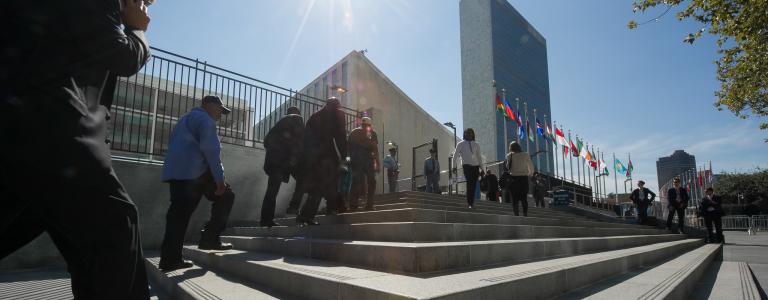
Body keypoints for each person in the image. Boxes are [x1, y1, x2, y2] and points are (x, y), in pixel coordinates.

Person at [0, 0, 152, 298]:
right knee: (116, 227)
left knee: (68, 233)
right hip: (46, 126)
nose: (147, 5)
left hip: (20, 131)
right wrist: (137, 29)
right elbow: (122, 57)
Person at [160, 96, 236, 271]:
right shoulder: (205, 120)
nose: (220, 114)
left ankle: (169, 259)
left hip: (177, 174)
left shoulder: (184, 119)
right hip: (195, 173)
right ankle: (210, 238)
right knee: (226, 195)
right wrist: (220, 180)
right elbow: (211, 152)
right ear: (208, 105)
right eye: (220, 109)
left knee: (177, 217)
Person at [296, 98, 348, 225]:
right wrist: (344, 156)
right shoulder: (337, 115)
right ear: (336, 107)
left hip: (312, 157)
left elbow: (305, 138)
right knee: (329, 182)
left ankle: (309, 215)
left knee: (318, 186)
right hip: (326, 155)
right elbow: (340, 136)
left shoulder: (315, 116)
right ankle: (329, 208)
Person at [260, 107, 304, 227]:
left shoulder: (278, 126)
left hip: (273, 162)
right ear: (298, 114)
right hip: (284, 162)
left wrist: (276, 151)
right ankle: (293, 207)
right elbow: (300, 143)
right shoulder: (297, 119)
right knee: (304, 179)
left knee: (271, 192)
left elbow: (266, 142)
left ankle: (266, 220)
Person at [347, 117, 380, 210]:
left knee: (363, 182)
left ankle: (361, 205)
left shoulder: (355, 132)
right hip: (361, 162)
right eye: (366, 125)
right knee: (361, 182)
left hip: (362, 162)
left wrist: (377, 163)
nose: (366, 127)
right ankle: (359, 205)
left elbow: (347, 150)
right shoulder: (358, 133)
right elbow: (375, 150)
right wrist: (377, 163)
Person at [452, 129, 482, 208]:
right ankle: (470, 203)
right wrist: (454, 167)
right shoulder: (460, 144)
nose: (469, 134)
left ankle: (471, 202)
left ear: (473, 134)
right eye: (467, 133)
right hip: (466, 166)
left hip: (476, 167)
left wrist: (482, 168)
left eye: (470, 133)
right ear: (464, 134)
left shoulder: (476, 144)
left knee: (473, 185)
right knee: (469, 183)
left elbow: (479, 157)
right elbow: (455, 156)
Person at [504, 142, 534, 216]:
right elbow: (531, 167)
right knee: (524, 198)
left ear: (511, 148)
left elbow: (508, 167)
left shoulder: (509, 156)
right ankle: (525, 214)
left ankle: (516, 215)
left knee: (514, 199)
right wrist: (530, 174)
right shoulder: (525, 154)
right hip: (523, 178)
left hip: (513, 180)